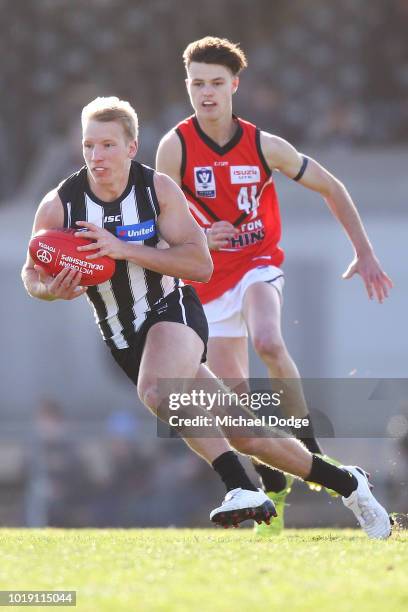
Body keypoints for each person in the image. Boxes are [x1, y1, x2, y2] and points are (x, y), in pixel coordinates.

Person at [22, 96, 391, 539]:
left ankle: (238, 486)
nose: (96, 157)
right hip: (121, 335)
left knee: (158, 389)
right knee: (251, 437)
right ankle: (350, 484)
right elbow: (33, 272)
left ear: (132, 146)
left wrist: (124, 250)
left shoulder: (157, 190)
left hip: (172, 309)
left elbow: (200, 265)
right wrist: (48, 290)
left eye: (107, 145)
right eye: (88, 146)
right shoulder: (60, 203)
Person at [156, 37, 394, 535]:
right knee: (239, 414)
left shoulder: (263, 145)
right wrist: (199, 237)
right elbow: (162, 222)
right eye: (198, 83)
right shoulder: (174, 147)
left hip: (257, 265)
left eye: (217, 83)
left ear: (234, 86)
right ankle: (276, 481)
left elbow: (332, 186)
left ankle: (314, 453)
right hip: (208, 282)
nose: (207, 93)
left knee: (267, 339)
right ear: (188, 86)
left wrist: (365, 252)